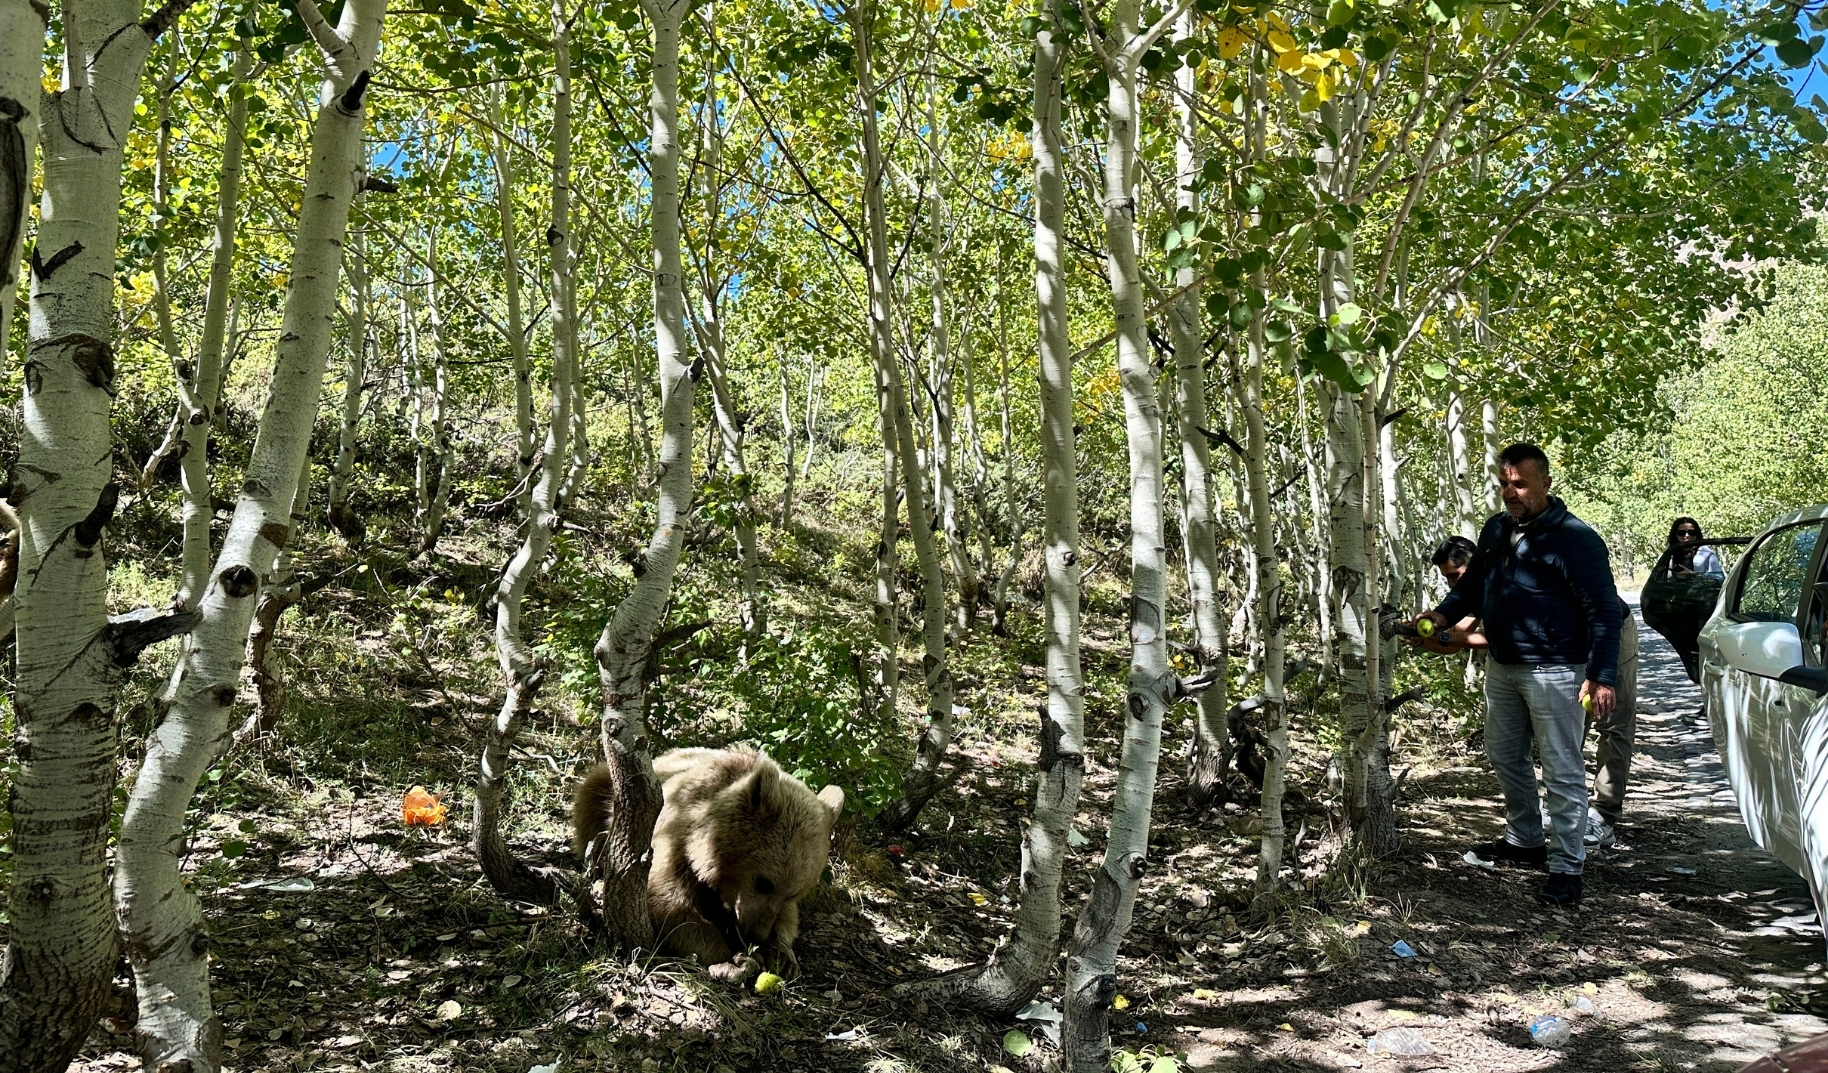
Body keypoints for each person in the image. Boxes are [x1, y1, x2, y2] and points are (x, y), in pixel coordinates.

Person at [1417, 443, 1623, 907]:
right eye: (1505, 484)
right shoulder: (1495, 529)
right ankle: (1526, 839)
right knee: (1505, 754)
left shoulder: (1575, 539)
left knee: (1561, 767)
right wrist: (1443, 617)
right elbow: (1473, 586)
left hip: (1556, 669)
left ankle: (1568, 865)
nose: (1512, 492)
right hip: (1504, 666)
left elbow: (1605, 612)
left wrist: (1601, 675)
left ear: (1546, 483)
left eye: (1521, 484)